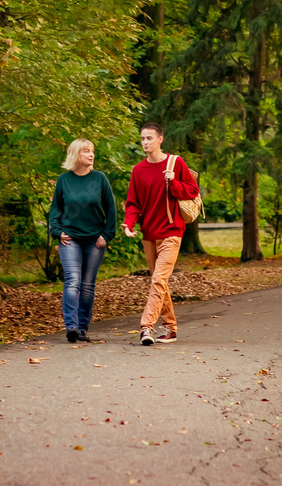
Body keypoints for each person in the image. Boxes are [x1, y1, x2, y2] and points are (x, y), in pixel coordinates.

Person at [123, 123, 199, 345]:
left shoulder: (176, 163)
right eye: (142, 138)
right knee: (160, 282)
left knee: (158, 279)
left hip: (171, 231)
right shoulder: (138, 170)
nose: (145, 142)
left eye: (149, 138)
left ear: (160, 139)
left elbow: (193, 191)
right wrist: (129, 224)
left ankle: (146, 327)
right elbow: (133, 203)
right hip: (149, 234)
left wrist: (173, 183)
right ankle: (170, 329)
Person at [49, 138, 117, 343]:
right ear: (76, 154)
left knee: (87, 285)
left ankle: (82, 328)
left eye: (92, 151)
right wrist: (57, 231)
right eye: (86, 151)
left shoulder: (100, 179)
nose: (91, 154)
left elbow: (111, 209)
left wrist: (107, 234)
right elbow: (56, 210)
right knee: (72, 281)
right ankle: (71, 326)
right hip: (70, 239)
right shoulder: (64, 180)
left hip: (94, 240)